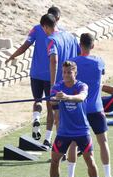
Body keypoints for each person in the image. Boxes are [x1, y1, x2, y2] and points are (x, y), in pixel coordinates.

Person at [65, 33, 113, 177]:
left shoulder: (72, 63)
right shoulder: (99, 62)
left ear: (79, 45)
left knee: (73, 144)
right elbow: (101, 76)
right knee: (103, 142)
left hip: (78, 109)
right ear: (92, 46)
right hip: (95, 108)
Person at [45, 61, 102, 177]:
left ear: (75, 73)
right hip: (64, 131)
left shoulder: (82, 86)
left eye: (69, 72)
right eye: (64, 72)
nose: (65, 75)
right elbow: (52, 102)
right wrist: (54, 98)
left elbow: (81, 97)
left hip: (82, 130)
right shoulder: (58, 87)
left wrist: (66, 97)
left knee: (90, 160)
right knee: (54, 161)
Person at [5, 6, 62, 146]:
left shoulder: (36, 29)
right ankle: (48, 139)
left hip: (35, 73)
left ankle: (36, 117)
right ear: (58, 19)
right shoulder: (60, 33)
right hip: (51, 76)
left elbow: (25, 46)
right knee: (50, 107)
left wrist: (12, 56)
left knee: (37, 101)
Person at [42, 13, 80, 144]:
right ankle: (77, 145)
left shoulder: (51, 39)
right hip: (73, 83)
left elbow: (54, 60)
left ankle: (62, 148)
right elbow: (79, 53)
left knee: (58, 118)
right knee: (73, 115)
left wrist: (52, 85)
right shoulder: (70, 36)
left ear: (46, 27)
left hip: (60, 85)